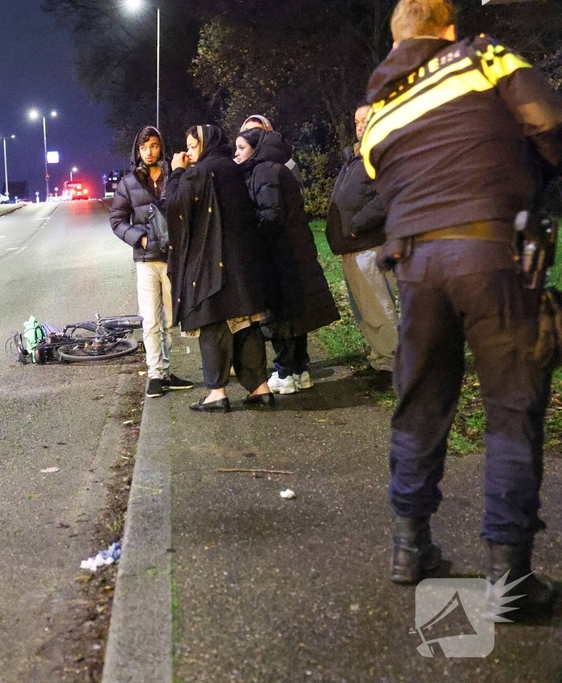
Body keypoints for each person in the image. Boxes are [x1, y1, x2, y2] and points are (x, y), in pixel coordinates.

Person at [361, 0, 562, 615]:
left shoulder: (377, 112)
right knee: (510, 404)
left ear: (397, 42)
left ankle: (409, 547)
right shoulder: (479, 55)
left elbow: (376, 180)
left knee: (419, 401)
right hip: (489, 252)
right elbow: (550, 120)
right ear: (445, 28)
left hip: (415, 268)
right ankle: (511, 583)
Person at [166, 124, 274, 412]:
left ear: (205, 144)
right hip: (242, 264)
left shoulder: (202, 171)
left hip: (214, 265)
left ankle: (217, 393)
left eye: (191, 146)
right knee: (246, 324)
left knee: (212, 323)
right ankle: (259, 388)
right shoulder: (230, 167)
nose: (187, 152)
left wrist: (176, 171)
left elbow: (175, 206)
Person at [233, 128, 339, 395]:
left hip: (278, 257)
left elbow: (269, 215)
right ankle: (300, 371)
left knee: (280, 316)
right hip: (292, 254)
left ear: (255, 149)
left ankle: (285, 372)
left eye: (241, 147)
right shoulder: (275, 168)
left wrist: (251, 238)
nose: (236, 153)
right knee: (295, 313)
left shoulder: (264, 171)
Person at [110, 125, 194, 398]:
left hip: (173, 258)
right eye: (144, 147)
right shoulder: (128, 183)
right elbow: (117, 221)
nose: (149, 152)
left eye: (154, 146)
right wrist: (140, 238)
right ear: (137, 150)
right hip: (146, 261)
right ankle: (155, 374)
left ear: (162, 148)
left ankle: (166, 373)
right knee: (150, 320)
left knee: (169, 320)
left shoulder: (174, 176)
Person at [325, 103, 398, 374]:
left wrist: (357, 225)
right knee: (366, 310)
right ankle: (380, 358)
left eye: (366, 120)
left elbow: (388, 195)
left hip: (369, 245)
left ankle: (393, 364)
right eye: (356, 121)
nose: (359, 126)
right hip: (352, 247)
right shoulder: (356, 156)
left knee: (380, 307)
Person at [240, 115, 304, 189]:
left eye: (256, 131)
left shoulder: (287, 164)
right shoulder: (234, 165)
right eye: (246, 131)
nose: (250, 135)